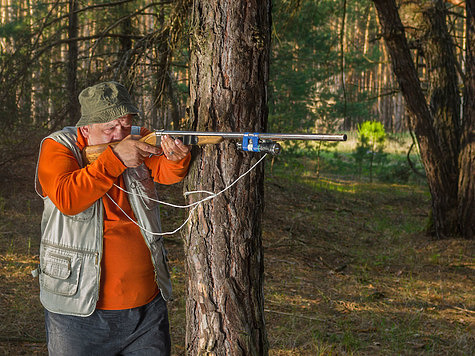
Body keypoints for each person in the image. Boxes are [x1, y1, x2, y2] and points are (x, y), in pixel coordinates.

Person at [34, 81, 191, 355]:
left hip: (147, 310)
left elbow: (165, 172)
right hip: (77, 313)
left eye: (124, 124)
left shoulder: (138, 136)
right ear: (85, 128)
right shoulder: (58, 146)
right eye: (109, 128)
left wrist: (177, 159)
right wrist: (115, 159)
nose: (119, 134)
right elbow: (67, 198)